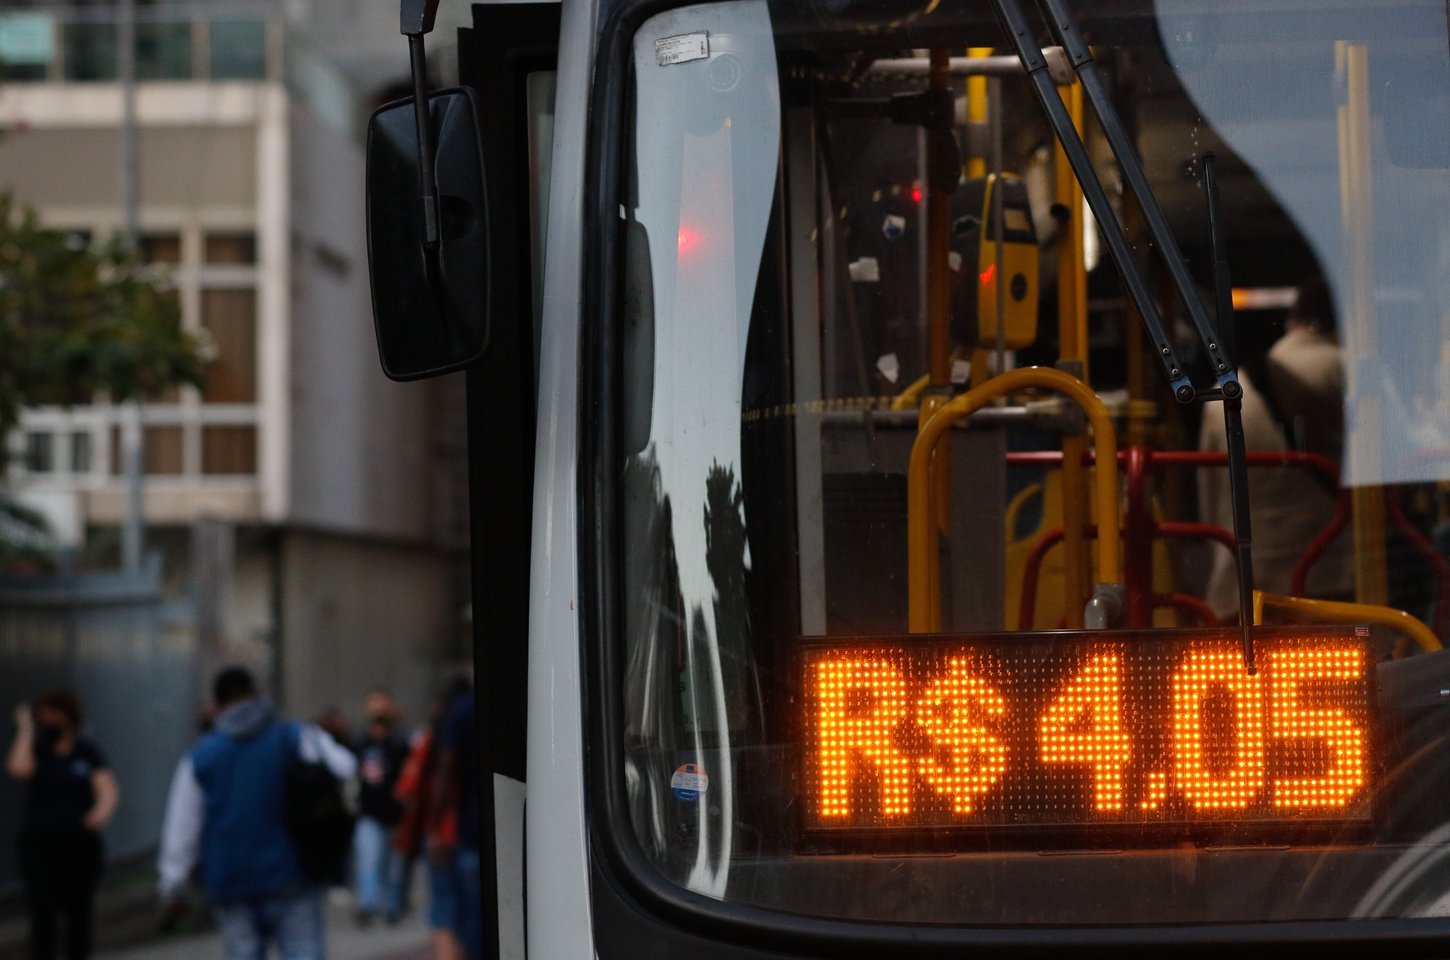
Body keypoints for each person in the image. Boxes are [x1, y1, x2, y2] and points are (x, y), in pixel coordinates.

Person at [157, 666, 356, 960]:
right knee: (304, 952)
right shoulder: (295, 736)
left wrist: (173, 883)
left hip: (229, 878)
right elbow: (345, 767)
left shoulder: (201, 756)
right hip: (291, 870)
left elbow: (182, 826)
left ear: (217, 705)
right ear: (256, 693)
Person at [1198, 278, 1352, 619]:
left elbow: (1209, 496)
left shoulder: (1225, 390)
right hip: (1326, 577)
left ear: (1290, 322)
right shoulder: (1349, 369)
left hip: (1239, 582)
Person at [6, 690, 118, 960]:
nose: (50, 720)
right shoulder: (38, 750)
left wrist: (100, 813)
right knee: (42, 911)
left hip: (78, 844)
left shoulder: (86, 751)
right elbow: (18, 768)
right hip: (40, 845)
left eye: (55, 714)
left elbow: (106, 788)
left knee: (78, 912)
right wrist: (25, 729)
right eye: (44, 715)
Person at [394, 679, 470, 960]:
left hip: (442, 835)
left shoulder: (433, 740)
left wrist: (431, 827)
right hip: (469, 836)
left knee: (444, 914)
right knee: (472, 915)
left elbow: (407, 789)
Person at [352, 689, 410, 926]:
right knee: (369, 861)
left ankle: (392, 907)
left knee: (393, 867)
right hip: (369, 813)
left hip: (395, 815)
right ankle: (367, 906)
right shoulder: (360, 741)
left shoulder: (399, 742)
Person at [433, 684, 482, 960]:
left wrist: (435, 824)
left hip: (468, 829)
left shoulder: (460, 712)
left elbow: (446, 767)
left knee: (470, 913)